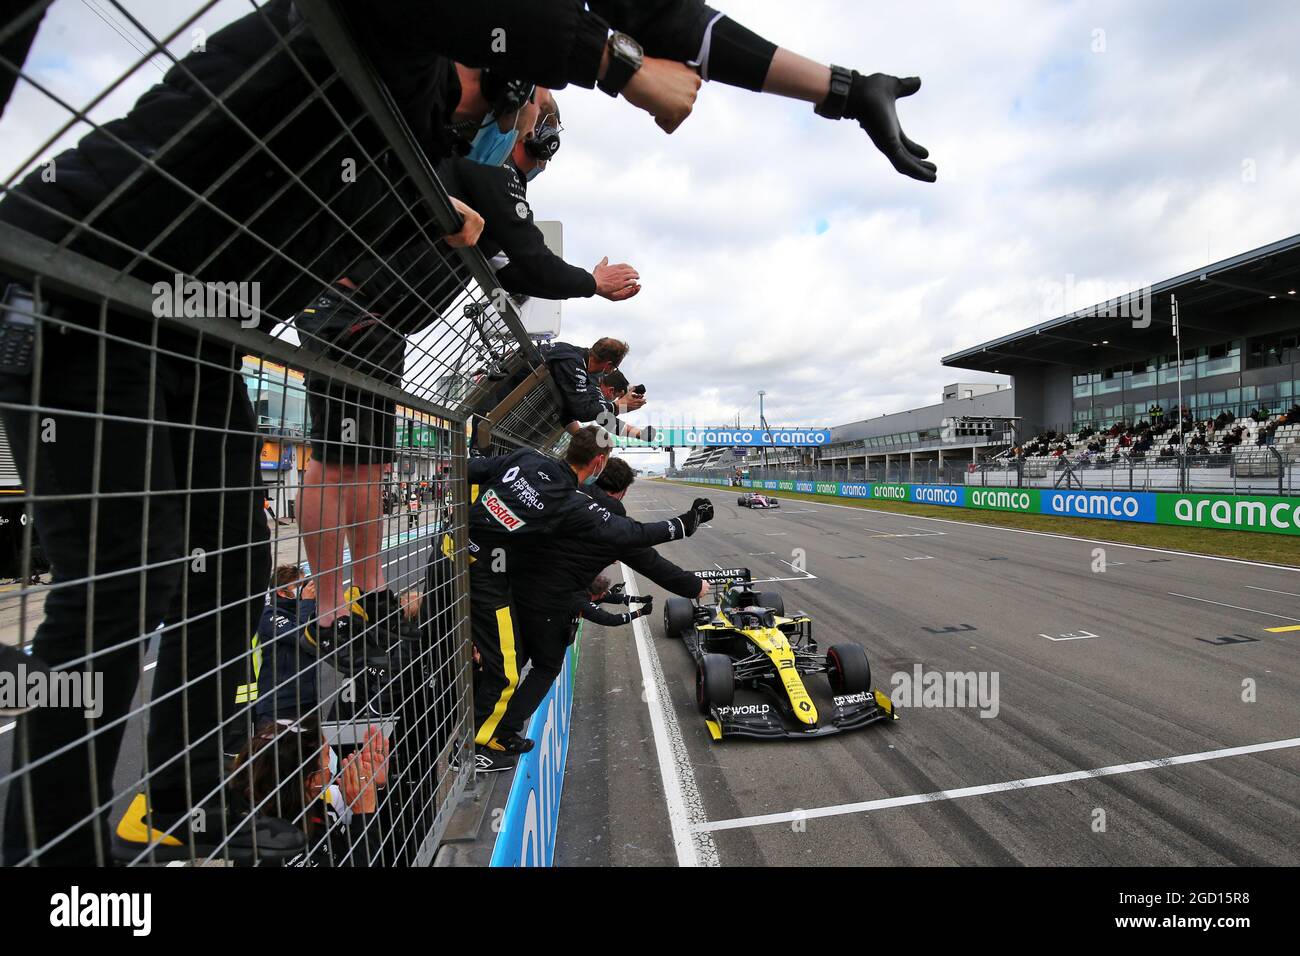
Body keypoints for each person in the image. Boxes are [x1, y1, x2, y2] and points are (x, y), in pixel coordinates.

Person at [466, 426, 712, 771]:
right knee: (542, 666)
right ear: (600, 464)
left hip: (509, 582)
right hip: (550, 601)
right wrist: (692, 576)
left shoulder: (549, 477)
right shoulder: (576, 505)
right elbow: (646, 555)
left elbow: (474, 471)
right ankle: (496, 737)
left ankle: (485, 725)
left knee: (510, 658)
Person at [440, 90, 643, 303]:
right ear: (542, 141)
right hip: (405, 280)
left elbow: (510, 272)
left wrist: (589, 286)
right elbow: (532, 256)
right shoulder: (494, 163)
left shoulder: (494, 176)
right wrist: (592, 282)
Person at [541, 337, 653, 440]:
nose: (612, 400)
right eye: (616, 397)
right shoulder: (578, 368)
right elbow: (587, 412)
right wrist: (619, 405)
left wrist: (638, 432)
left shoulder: (583, 365)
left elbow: (603, 417)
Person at [254, 566, 320, 722]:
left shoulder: (305, 610)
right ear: (281, 592)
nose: (304, 589)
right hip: (278, 704)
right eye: (298, 586)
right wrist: (307, 602)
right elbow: (299, 635)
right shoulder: (269, 614)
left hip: (307, 699)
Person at [580, 574, 654, 627]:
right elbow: (611, 620)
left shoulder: (584, 590)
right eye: (605, 592)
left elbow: (609, 597)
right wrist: (640, 612)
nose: (607, 593)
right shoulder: (583, 604)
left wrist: (640, 599)